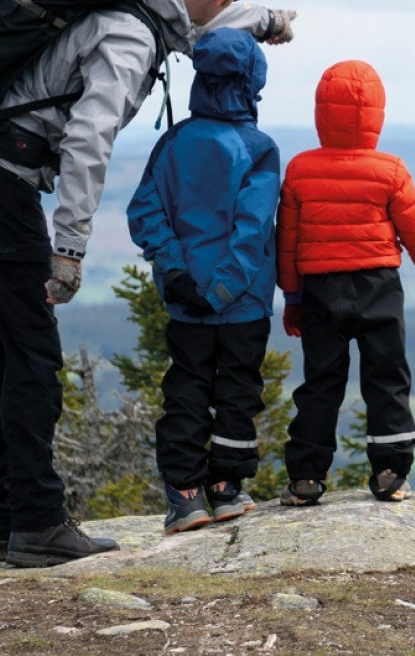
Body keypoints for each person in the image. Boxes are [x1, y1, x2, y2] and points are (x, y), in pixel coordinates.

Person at [0, 0, 296, 568]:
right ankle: (40, 524)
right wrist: (69, 247)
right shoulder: (133, 37)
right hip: (4, 184)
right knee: (32, 362)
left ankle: (2, 523)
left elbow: (203, 21)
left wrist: (266, 19)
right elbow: (87, 139)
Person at [276, 59, 415, 506]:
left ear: (321, 112)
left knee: (320, 382)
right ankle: (391, 472)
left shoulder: (300, 169)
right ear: (377, 115)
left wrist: (293, 296)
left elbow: (287, 240)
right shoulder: (391, 170)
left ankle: (306, 477)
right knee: (387, 377)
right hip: (379, 286)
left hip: (320, 290)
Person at [127, 27, 279, 535]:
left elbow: (144, 210)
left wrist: (173, 269)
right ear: (251, 82)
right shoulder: (258, 148)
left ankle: (185, 497)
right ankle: (226, 490)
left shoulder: (173, 142)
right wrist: (221, 290)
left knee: (187, 389)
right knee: (237, 391)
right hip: (242, 306)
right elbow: (252, 230)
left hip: (185, 303)